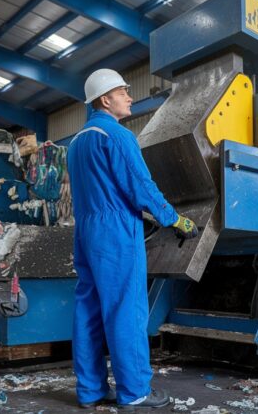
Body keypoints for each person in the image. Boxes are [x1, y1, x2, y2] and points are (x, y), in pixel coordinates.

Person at [67, 69, 198, 410]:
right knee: (127, 309)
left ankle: (91, 391)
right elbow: (140, 188)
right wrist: (175, 218)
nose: (129, 96)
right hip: (115, 232)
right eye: (123, 91)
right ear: (105, 99)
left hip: (85, 232)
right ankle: (135, 392)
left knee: (89, 310)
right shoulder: (118, 136)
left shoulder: (77, 142)